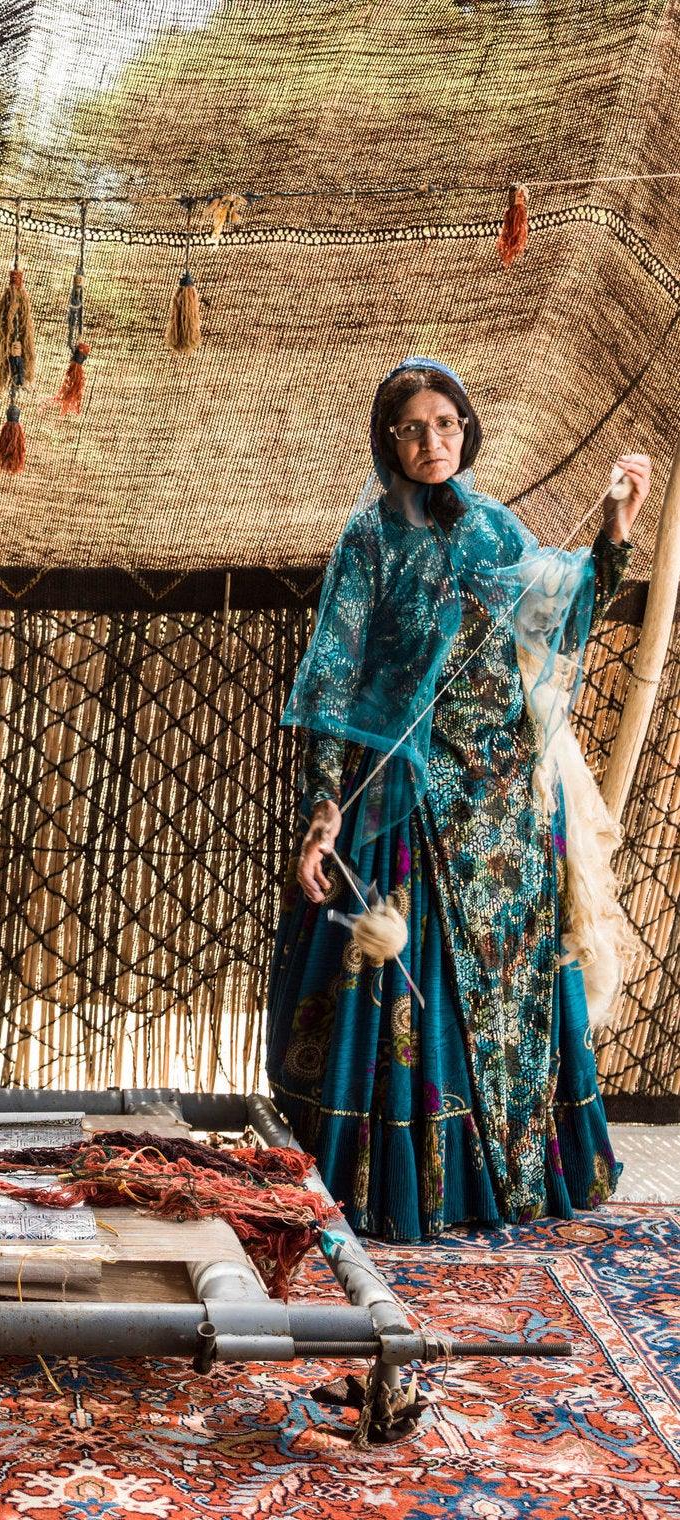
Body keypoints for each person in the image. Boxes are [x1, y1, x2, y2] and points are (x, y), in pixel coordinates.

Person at [266, 357, 649, 1242]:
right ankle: (413, 1190)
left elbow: (561, 621)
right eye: (410, 428)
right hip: (404, 796)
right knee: (406, 986)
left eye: (445, 424)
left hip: (507, 806)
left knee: (513, 987)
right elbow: (332, 682)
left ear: (466, 432)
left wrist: (611, 531)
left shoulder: (495, 530)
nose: (430, 442)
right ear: (386, 441)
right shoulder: (366, 543)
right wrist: (324, 809)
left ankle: (511, 1177)